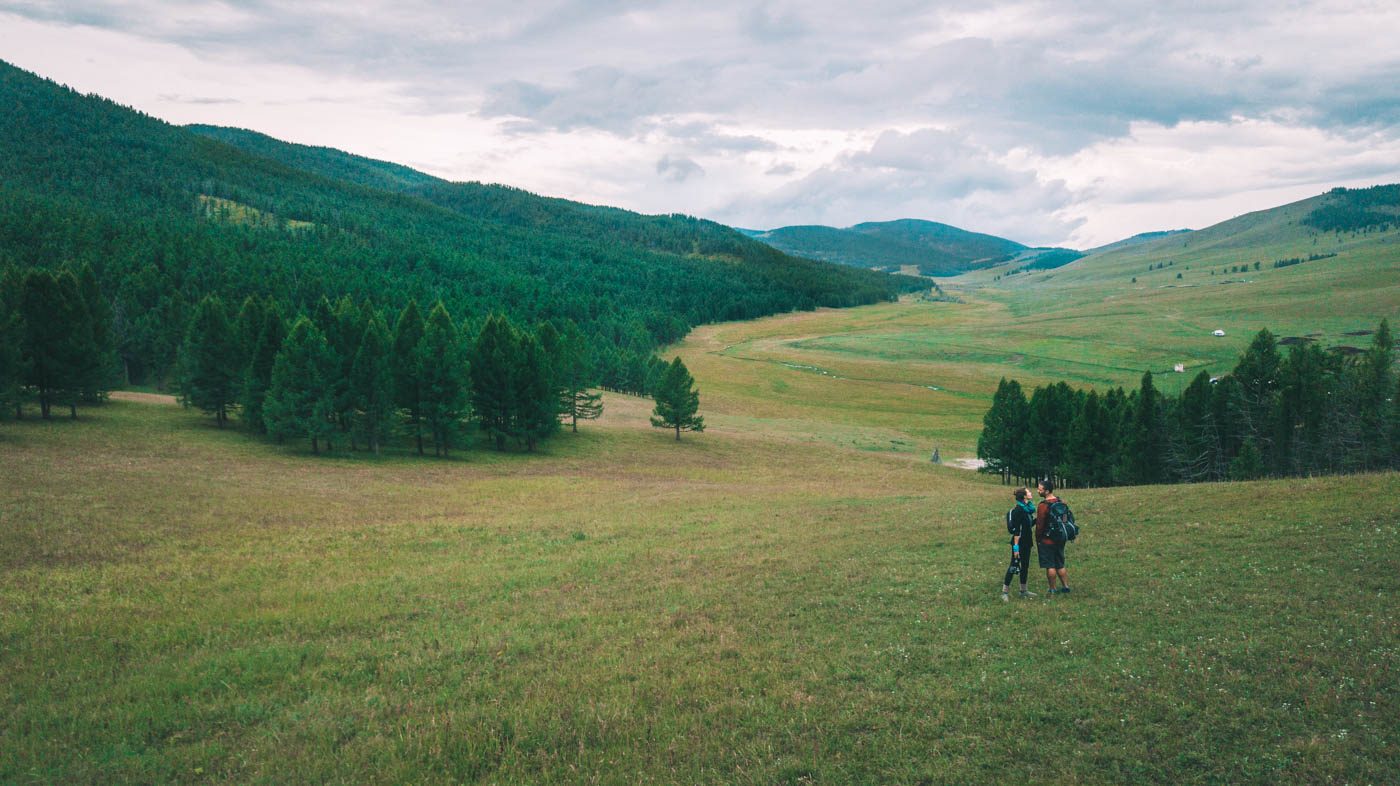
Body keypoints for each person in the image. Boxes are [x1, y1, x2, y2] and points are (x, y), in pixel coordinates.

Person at [1035, 479, 1071, 595]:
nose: (1038, 491)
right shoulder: (1061, 502)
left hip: (1047, 539)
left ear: (1046, 491)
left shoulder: (1043, 506)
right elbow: (1065, 519)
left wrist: (1038, 538)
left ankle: (1052, 589)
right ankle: (1065, 586)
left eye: (1040, 489)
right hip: (1060, 538)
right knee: (1060, 563)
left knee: (1050, 565)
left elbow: (1040, 525)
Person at [1001, 487, 1036, 601]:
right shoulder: (1019, 511)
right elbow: (1017, 531)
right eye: (1028, 492)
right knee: (1013, 565)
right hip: (1019, 543)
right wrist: (1016, 549)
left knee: (1025, 566)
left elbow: (1027, 525)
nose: (1031, 493)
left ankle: (1023, 590)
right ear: (1024, 496)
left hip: (1027, 542)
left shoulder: (1026, 509)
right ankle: (1004, 592)